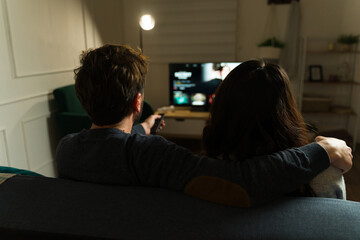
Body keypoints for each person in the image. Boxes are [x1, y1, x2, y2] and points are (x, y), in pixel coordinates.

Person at [56, 44, 352, 207]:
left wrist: (143, 127)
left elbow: (109, 145)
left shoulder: (66, 150)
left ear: (84, 100)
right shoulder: (154, 156)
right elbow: (244, 180)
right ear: (137, 102)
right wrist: (323, 150)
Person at [202, 60, 350, 199]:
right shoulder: (324, 174)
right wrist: (323, 152)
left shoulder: (202, 175)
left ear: (221, 107)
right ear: (286, 110)